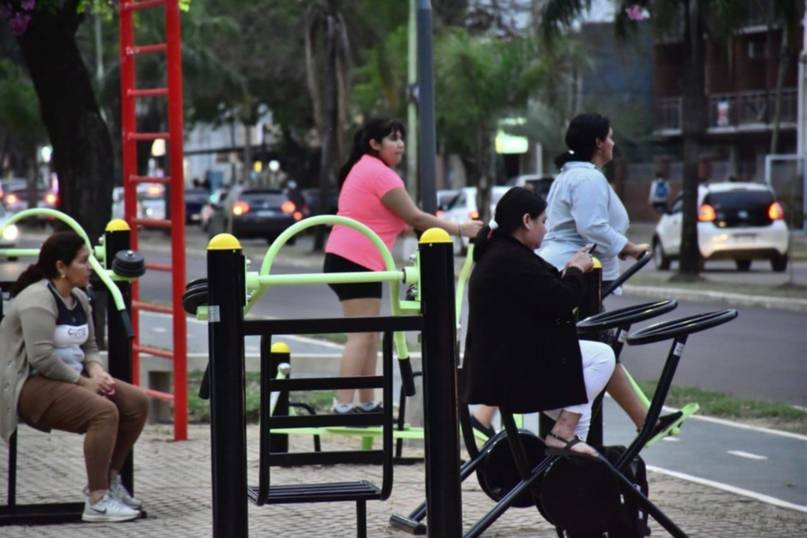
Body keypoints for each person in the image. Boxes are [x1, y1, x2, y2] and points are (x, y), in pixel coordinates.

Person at [324, 117, 483, 414]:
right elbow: (416, 218)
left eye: (401, 138)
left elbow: (404, 222)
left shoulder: (367, 169)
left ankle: (367, 403)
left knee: (369, 334)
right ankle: (342, 404)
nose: (399, 144)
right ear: (374, 144)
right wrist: (462, 229)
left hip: (357, 259)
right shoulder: (379, 173)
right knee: (361, 335)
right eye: (392, 138)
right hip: (354, 259)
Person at [538, 113, 681, 437]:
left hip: (576, 270)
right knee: (597, 347)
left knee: (602, 347)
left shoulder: (572, 175)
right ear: (599, 143)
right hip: (578, 273)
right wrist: (627, 246)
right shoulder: (587, 179)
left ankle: (644, 419)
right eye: (611, 137)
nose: (614, 143)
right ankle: (566, 431)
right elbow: (591, 226)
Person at [0, 231, 149, 523]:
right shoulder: (37, 299)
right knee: (104, 413)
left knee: (136, 403)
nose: (90, 267)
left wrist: (96, 371)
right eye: (84, 262)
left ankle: (110, 480)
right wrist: (84, 383)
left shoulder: (79, 297)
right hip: (27, 385)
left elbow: (90, 346)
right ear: (61, 267)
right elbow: (41, 359)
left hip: (71, 378)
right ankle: (96, 500)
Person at [462, 187, 615, 456]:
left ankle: (565, 484)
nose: (546, 229)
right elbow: (562, 301)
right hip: (516, 371)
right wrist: (577, 270)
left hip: (501, 366)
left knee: (581, 407)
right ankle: (562, 436)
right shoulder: (511, 259)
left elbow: (543, 294)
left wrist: (568, 272)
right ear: (526, 221)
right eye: (543, 221)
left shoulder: (501, 254)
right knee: (602, 357)